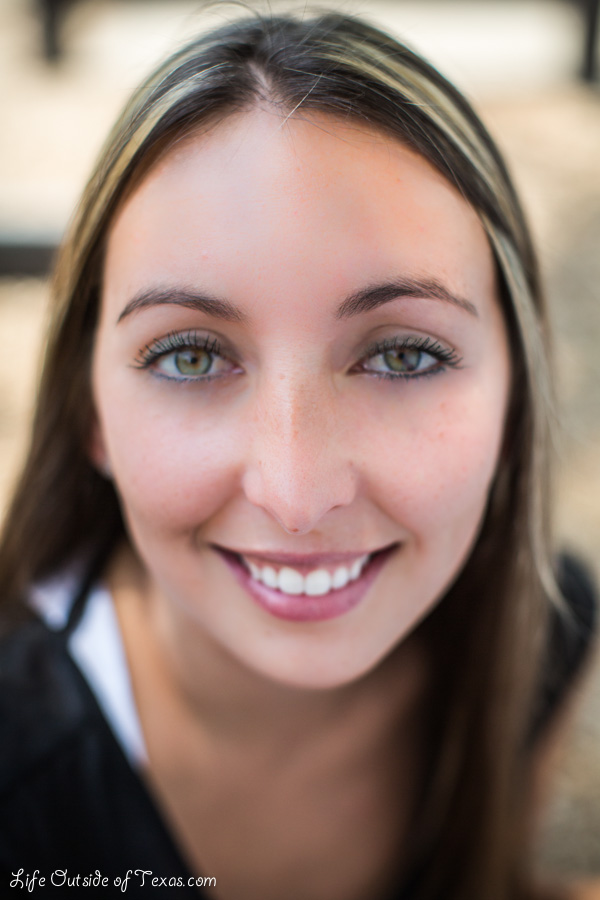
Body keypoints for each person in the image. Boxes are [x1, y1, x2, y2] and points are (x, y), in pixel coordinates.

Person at [0, 10, 596, 900]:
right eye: (190, 355)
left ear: (516, 388)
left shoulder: (537, 630)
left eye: (404, 355)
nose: (296, 494)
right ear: (89, 409)